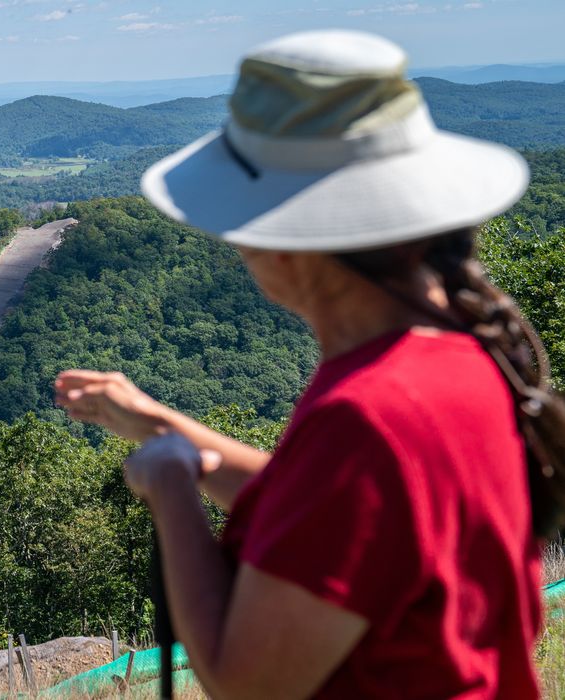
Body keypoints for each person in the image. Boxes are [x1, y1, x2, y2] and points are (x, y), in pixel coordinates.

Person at [55, 30, 562, 698]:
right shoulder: (463, 356)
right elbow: (329, 518)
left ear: (285, 245)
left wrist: (170, 492)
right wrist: (158, 428)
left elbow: (247, 681)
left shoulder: (366, 414)